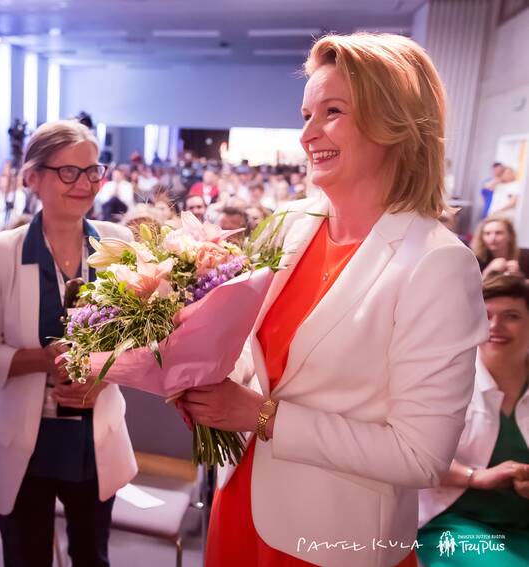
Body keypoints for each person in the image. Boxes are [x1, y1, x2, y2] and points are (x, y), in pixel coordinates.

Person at [177, 33, 488, 566]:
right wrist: (204, 389)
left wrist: (261, 416)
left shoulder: (437, 264)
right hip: (238, 503)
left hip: (331, 539)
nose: (307, 134)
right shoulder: (287, 225)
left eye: (333, 112)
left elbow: (420, 456)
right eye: (306, 115)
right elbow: (256, 360)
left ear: (395, 122)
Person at [0, 119, 137, 567]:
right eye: (68, 172)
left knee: (92, 557)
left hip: (94, 438)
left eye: (92, 171)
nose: (84, 184)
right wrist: (41, 359)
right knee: (25, 557)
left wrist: (104, 374)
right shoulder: (0, 253)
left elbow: (139, 342)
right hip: (23, 441)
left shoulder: (119, 244)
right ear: (33, 178)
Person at [417, 274, 529, 567]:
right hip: (455, 524)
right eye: (486, 315)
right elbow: (414, 455)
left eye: (512, 316)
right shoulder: (445, 380)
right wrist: (475, 477)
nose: (495, 326)